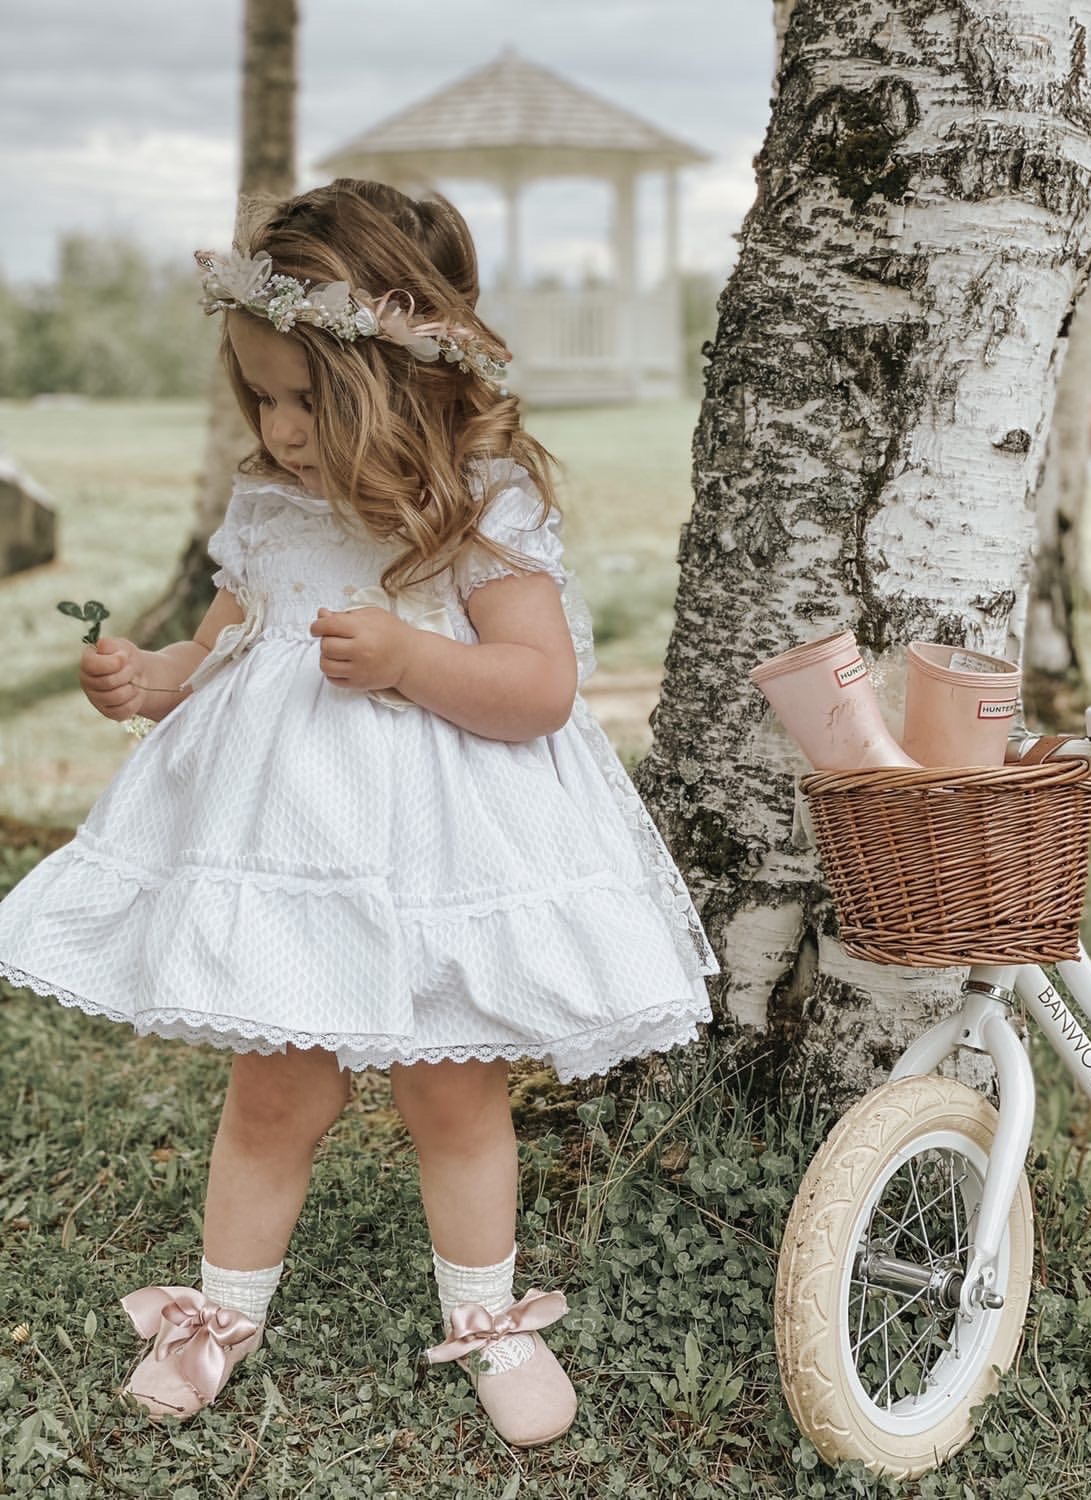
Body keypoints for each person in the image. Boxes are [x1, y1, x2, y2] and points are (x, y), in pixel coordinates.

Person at [0, 180, 718, 1444]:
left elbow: (540, 691)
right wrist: (152, 679)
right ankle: (222, 1308)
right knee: (275, 1092)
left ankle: (488, 1317)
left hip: (448, 857)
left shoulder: (480, 509)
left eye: (304, 401)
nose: (278, 431)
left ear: (401, 378)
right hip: (290, 859)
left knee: (453, 1097)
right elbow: (229, 641)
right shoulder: (273, 509)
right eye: (260, 398)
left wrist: (407, 659)